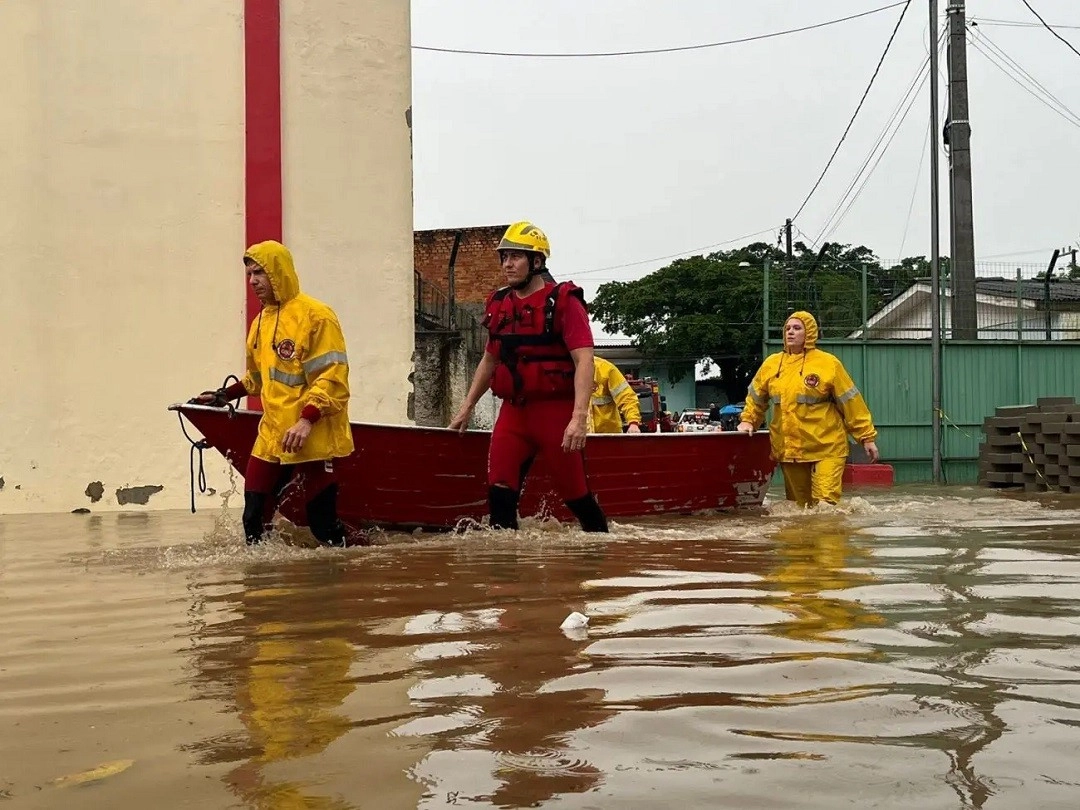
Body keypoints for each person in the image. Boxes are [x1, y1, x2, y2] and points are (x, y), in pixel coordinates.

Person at [448, 221, 608, 532]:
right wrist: (467, 405)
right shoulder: (499, 303)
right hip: (514, 414)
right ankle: (507, 574)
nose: (507, 264)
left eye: (516, 257)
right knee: (499, 493)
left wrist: (578, 418)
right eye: (504, 257)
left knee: (576, 496)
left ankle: (599, 556)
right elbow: (489, 359)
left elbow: (584, 360)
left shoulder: (564, 300)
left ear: (536, 261)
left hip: (556, 415)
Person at [194, 240, 354, 546]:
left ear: (278, 273)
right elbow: (258, 378)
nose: (252, 281)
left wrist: (307, 420)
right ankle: (264, 588)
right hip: (273, 432)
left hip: (313, 431)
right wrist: (224, 396)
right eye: (249, 274)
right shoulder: (261, 323)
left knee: (322, 526)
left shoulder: (317, 316)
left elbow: (333, 379)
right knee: (253, 518)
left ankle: (344, 575)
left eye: (259, 273)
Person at [737, 310, 879, 507]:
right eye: (787, 328)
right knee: (798, 509)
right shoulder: (772, 364)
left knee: (825, 505)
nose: (790, 332)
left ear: (809, 333)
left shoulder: (828, 364)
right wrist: (748, 420)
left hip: (827, 446)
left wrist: (866, 437)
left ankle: (829, 538)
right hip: (790, 450)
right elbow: (756, 397)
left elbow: (851, 402)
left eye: (797, 328)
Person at [590, 356, 642, 434]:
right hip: (574, 437)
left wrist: (633, 423)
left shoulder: (605, 369)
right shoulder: (567, 371)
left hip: (607, 436)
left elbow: (627, 397)